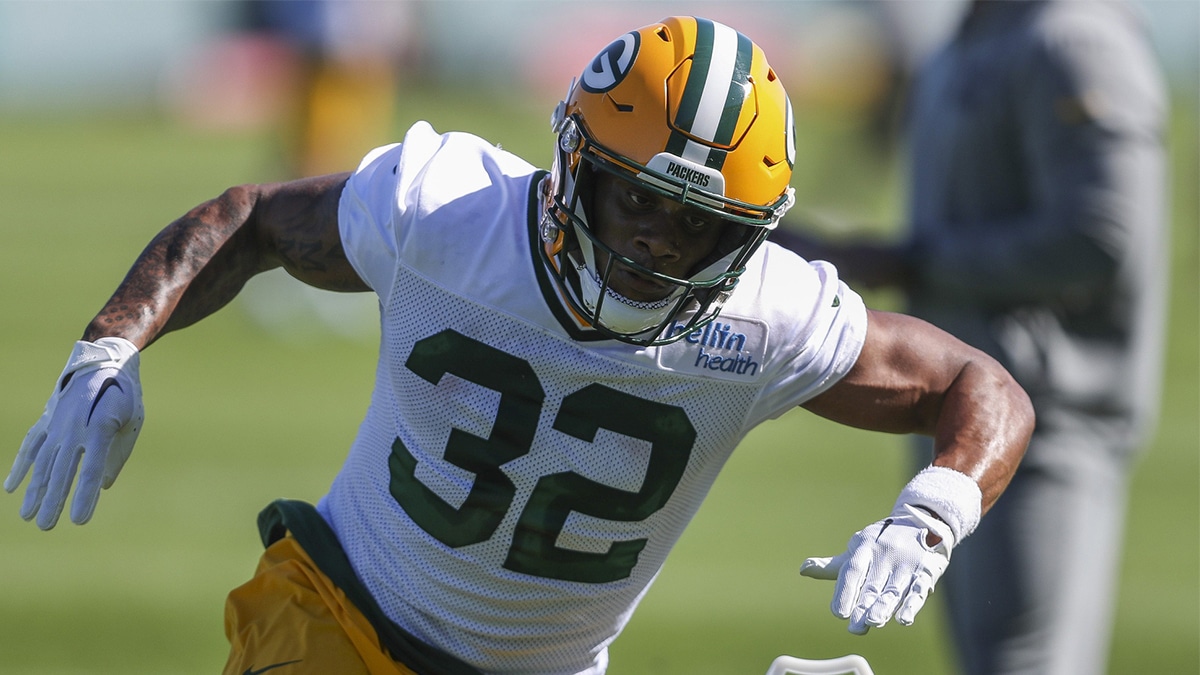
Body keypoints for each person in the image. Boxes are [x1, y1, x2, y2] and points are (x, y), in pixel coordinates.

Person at [6, 16, 1034, 675]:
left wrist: (934, 512)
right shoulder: (449, 211)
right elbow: (253, 218)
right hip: (341, 616)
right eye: (637, 195)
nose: (656, 238)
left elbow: (979, 387)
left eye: (697, 222)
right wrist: (109, 348)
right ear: (575, 165)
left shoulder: (768, 311)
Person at [772, 2, 1168, 674]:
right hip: (965, 403)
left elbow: (1102, 237)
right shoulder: (971, 36)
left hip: (1047, 415)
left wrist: (913, 260)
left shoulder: (1074, 38)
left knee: (1026, 662)